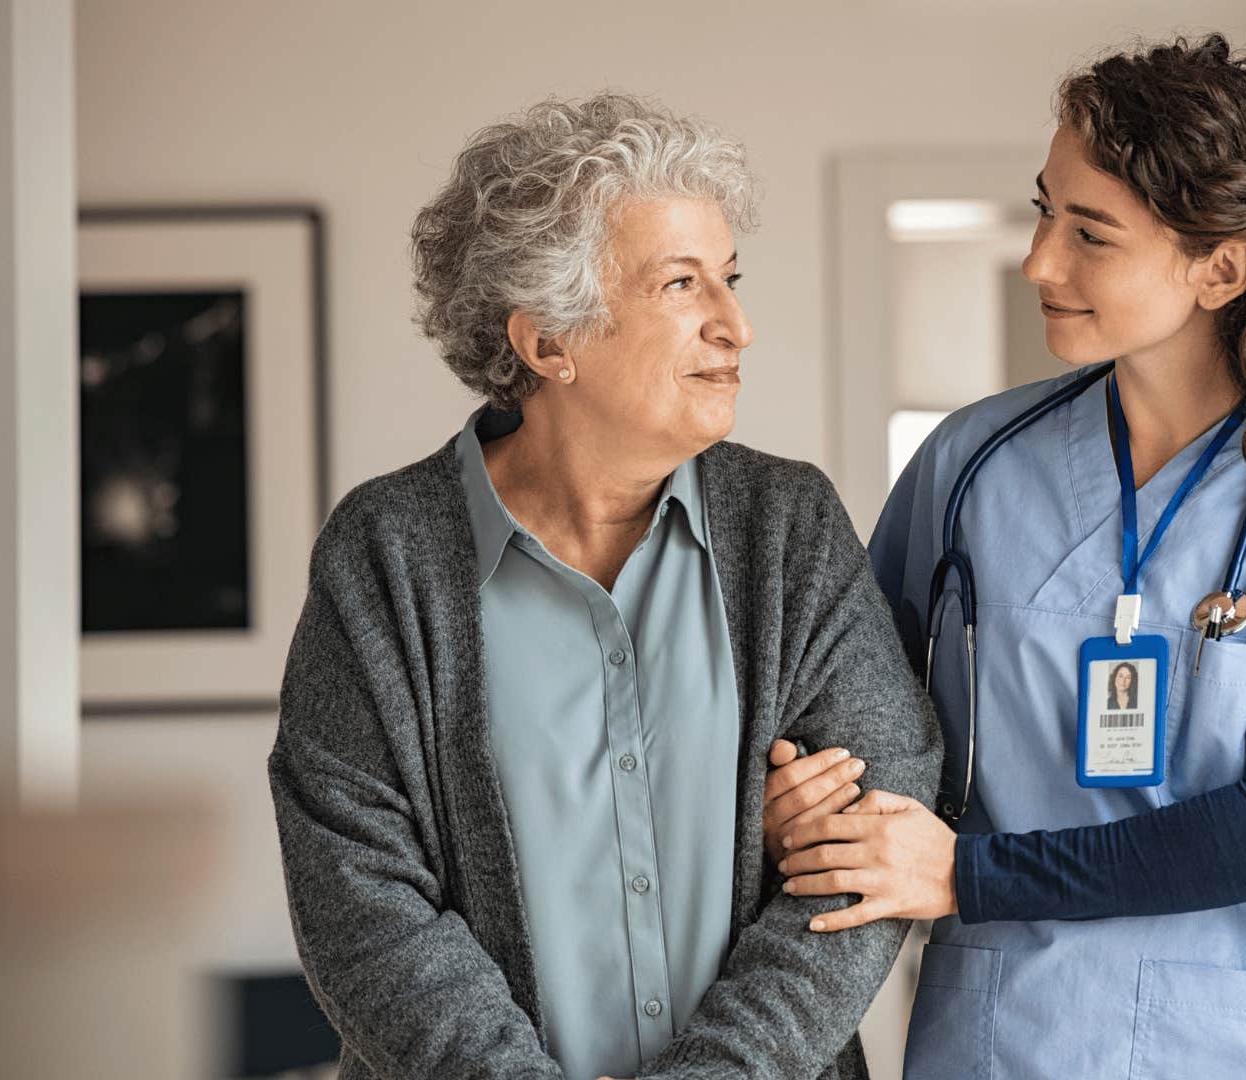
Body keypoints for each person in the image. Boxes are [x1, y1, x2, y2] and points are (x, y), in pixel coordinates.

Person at [762, 35, 1246, 1078]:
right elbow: (851, 722)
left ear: (1219, 268)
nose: (1041, 260)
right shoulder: (970, 465)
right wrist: (806, 799)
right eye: (1046, 212)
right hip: (1007, 1040)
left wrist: (970, 876)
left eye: (1091, 233)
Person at [267, 92, 941, 1080]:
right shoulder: (385, 555)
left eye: (730, 278)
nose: (737, 325)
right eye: (681, 285)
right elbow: (361, 906)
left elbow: (872, 846)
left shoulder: (788, 527)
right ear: (547, 342)